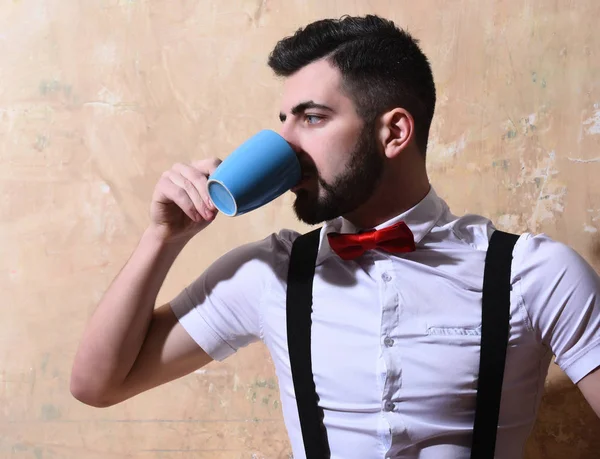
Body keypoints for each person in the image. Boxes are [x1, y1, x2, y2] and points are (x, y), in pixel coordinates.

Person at [70, 14, 600, 458]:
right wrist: (163, 237)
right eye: (283, 122)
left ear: (393, 132)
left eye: (312, 119)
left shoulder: (534, 274)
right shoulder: (269, 273)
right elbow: (98, 384)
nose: (286, 145)